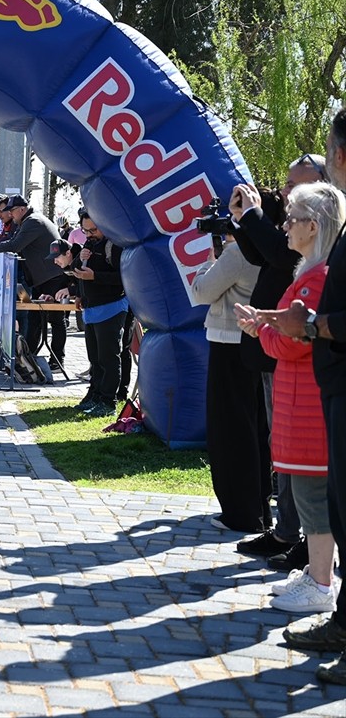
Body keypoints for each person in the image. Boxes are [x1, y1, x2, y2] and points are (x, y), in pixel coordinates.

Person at [242, 112, 346, 684]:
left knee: (312, 500)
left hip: (309, 405)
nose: (285, 225)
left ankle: (319, 580)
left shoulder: (317, 275)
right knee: (312, 499)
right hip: (307, 401)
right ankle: (317, 575)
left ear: (316, 224)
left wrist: (269, 331)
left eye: (293, 218)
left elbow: (299, 340)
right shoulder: (314, 269)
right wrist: (270, 326)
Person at [229, 155, 327, 570]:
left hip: (298, 367)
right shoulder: (304, 251)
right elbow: (265, 255)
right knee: (282, 447)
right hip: (278, 352)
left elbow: (278, 254)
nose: (285, 196)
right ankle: (289, 530)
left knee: (298, 458)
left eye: (294, 188)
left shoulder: (320, 263)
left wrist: (253, 215)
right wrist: (241, 220)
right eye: (286, 185)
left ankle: (304, 544)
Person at [189, 230, 263, 532]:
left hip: (229, 341)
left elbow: (200, 292)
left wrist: (210, 261)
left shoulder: (238, 252)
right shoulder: (268, 248)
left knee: (229, 430)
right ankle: (257, 507)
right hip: (256, 342)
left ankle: (239, 511)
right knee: (254, 425)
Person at [0, 195, 68, 368]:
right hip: (40, 277)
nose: (10, 214)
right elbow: (11, 241)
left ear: (21, 209)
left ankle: (57, 359)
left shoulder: (33, 221)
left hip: (52, 276)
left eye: (11, 210)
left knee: (55, 318)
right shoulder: (27, 221)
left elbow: (15, 245)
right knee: (34, 317)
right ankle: (29, 356)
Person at [70, 212, 126, 415]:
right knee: (94, 357)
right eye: (85, 230)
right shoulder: (89, 244)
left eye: (93, 230)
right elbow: (76, 270)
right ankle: (94, 394)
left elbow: (124, 277)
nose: (89, 234)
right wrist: (79, 292)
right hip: (91, 307)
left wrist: (96, 276)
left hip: (111, 306)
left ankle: (108, 400)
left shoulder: (115, 245)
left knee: (108, 357)